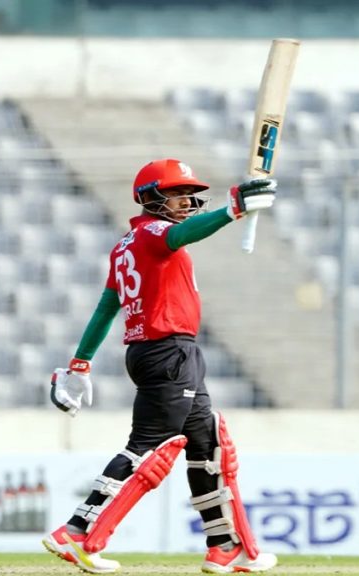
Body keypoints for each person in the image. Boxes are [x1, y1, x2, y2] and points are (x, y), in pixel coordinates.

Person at [42, 159, 279, 574]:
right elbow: (181, 234)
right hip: (169, 352)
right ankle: (78, 532)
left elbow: (106, 308)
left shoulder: (125, 245)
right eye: (176, 193)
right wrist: (232, 209)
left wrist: (80, 363)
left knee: (209, 446)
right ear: (149, 197)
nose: (186, 200)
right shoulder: (154, 234)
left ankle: (224, 545)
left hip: (162, 352)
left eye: (190, 193)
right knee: (149, 448)